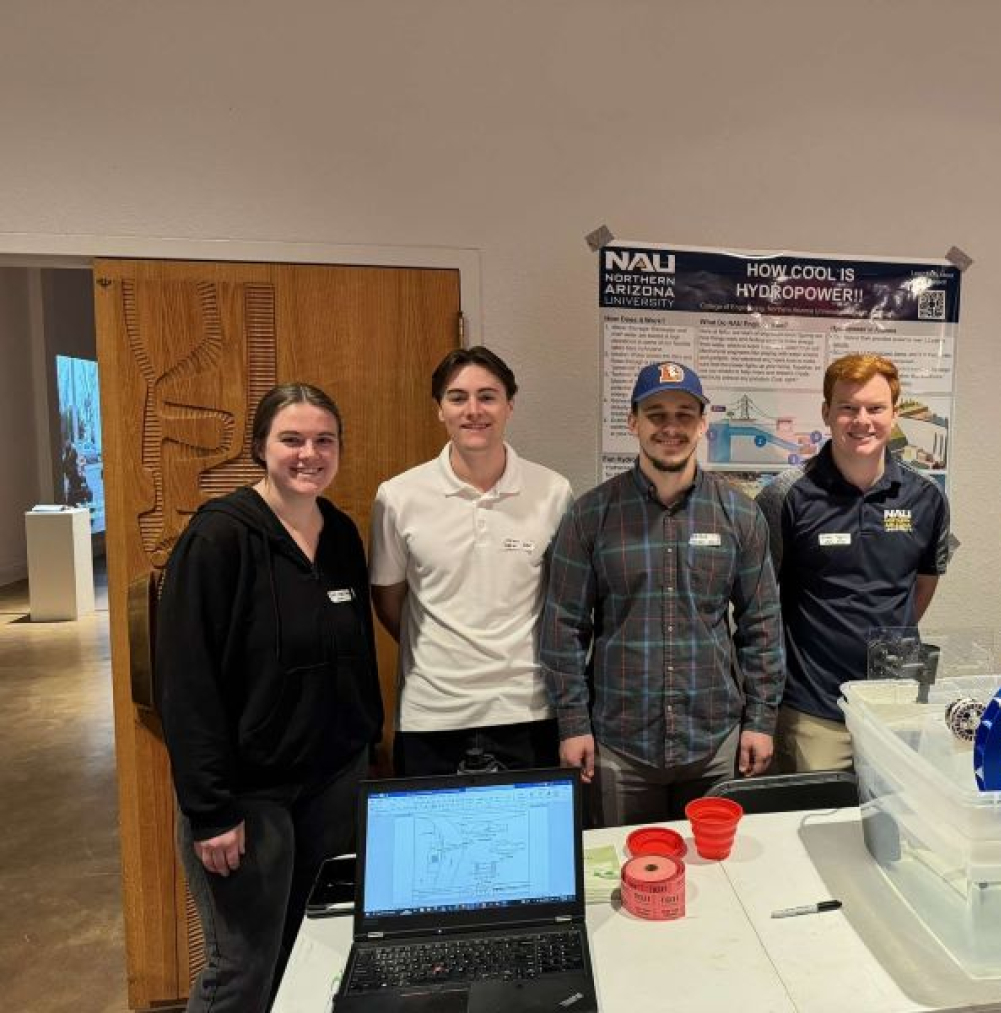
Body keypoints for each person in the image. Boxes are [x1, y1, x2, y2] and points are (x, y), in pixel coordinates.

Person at [156, 383, 384, 1011]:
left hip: (332, 784)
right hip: (248, 798)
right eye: (292, 439)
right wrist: (210, 810)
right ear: (261, 447)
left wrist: (370, 743)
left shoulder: (339, 533)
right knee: (244, 969)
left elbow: (357, 652)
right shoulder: (219, 538)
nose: (308, 453)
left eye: (323, 440)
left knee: (312, 953)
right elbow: (186, 681)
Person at [540, 361, 785, 826]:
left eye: (684, 414)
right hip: (620, 745)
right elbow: (564, 627)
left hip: (715, 742)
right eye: (656, 414)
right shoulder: (590, 516)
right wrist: (572, 724)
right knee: (626, 875)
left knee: (717, 876)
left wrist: (761, 719)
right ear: (633, 422)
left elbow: (763, 625)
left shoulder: (740, 514)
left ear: (702, 424)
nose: (670, 427)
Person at [369, 346, 572, 775]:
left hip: (528, 709)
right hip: (433, 712)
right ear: (439, 409)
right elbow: (389, 601)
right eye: (457, 397)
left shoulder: (553, 491)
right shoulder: (398, 497)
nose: (473, 410)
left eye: (488, 396)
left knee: (526, 842)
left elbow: (563, 602)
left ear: (510, 406)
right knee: (431, 842)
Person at [756, 353, 950, 772]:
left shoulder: (927, 496)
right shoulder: (784, 496)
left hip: (896, 704)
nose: (862, 420)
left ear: (894, 413)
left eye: (876, 408)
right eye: (848, 407)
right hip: (814, 709)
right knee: (811, 831)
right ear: (827, 413)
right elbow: (762, 603)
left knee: (890, 825)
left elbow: (923, 584)